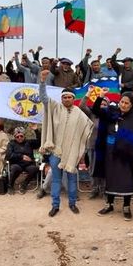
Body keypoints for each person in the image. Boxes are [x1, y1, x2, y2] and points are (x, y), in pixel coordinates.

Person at [39, 69, 94, 217]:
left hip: (72, 153)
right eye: (65, 97)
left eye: (70, 97)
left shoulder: (79, 114)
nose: (67, 99)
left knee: (71, 180)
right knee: (56, 180)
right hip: (56, 152)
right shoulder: (55, 108)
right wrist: (42, 82)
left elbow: (87, 129)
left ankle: (72, 203)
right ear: (62, 98)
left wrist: (80, 151)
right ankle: (55, 205)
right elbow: (44, 98)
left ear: (73, 98)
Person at [93, 91, 133, 220]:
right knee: (111, 178)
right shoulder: (111, 113)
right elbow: (96, 110)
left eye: (126, 103)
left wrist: (127, 144)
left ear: (132, 105)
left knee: (126, 180)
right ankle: (109, 204)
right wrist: (100, 97)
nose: (123, 105)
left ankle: (126, 206)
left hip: (127, 155)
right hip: (110, 153)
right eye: (121, 102)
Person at [5, 126, 39, 194]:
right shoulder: (11, 143)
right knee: (14, 168)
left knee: (34, 169)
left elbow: (39, 142)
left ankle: (24, 185)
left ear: (24, 136)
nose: (19, 138)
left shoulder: (29, 142)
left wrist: (36, 131)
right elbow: (8, 155)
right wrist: (21, 156)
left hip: (28, 164)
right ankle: (10, 186)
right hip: (17, 164)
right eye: (17, 136)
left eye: (21, 136)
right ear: (15, 137)